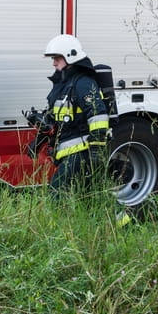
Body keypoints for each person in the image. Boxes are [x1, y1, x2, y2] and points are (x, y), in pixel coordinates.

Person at [38, 34, 110, 196]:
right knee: (92, 200)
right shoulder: (65, 84)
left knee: (55, 197)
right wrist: (40, 133)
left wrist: (97, 150)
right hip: (70, 153)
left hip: (82, 153)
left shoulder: (83, 83)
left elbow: (98, 114)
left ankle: (124, 221)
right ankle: (123, 221)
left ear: (70, 57)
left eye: (57, 58)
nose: (54, 62)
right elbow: (59, 114)